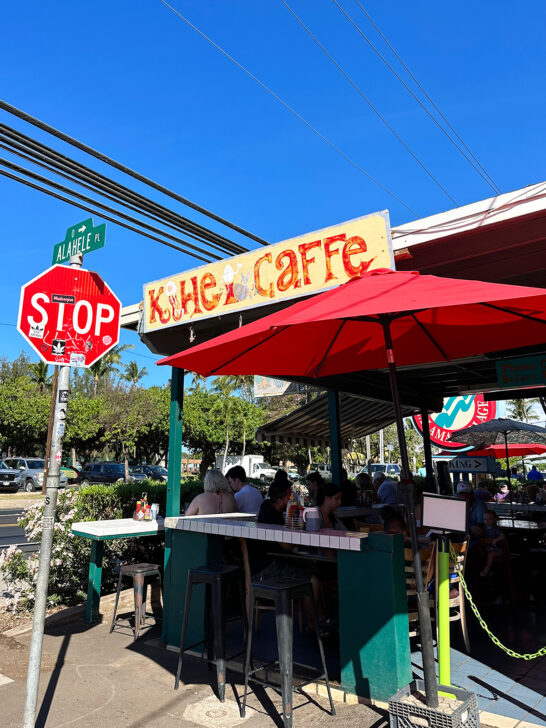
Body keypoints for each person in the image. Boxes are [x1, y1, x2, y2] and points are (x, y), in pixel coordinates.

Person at [479, 510, 507, 577]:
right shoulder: (484, 527)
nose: (487, 521)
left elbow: (503, 536)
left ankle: (486, 570)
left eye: (489, 519)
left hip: (497, 549)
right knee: (482, 553)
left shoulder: (496, 529)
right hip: (488, 547)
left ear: (495, 520)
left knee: (490, 555)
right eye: (485, 519)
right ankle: (489, 570)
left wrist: (495, 540)